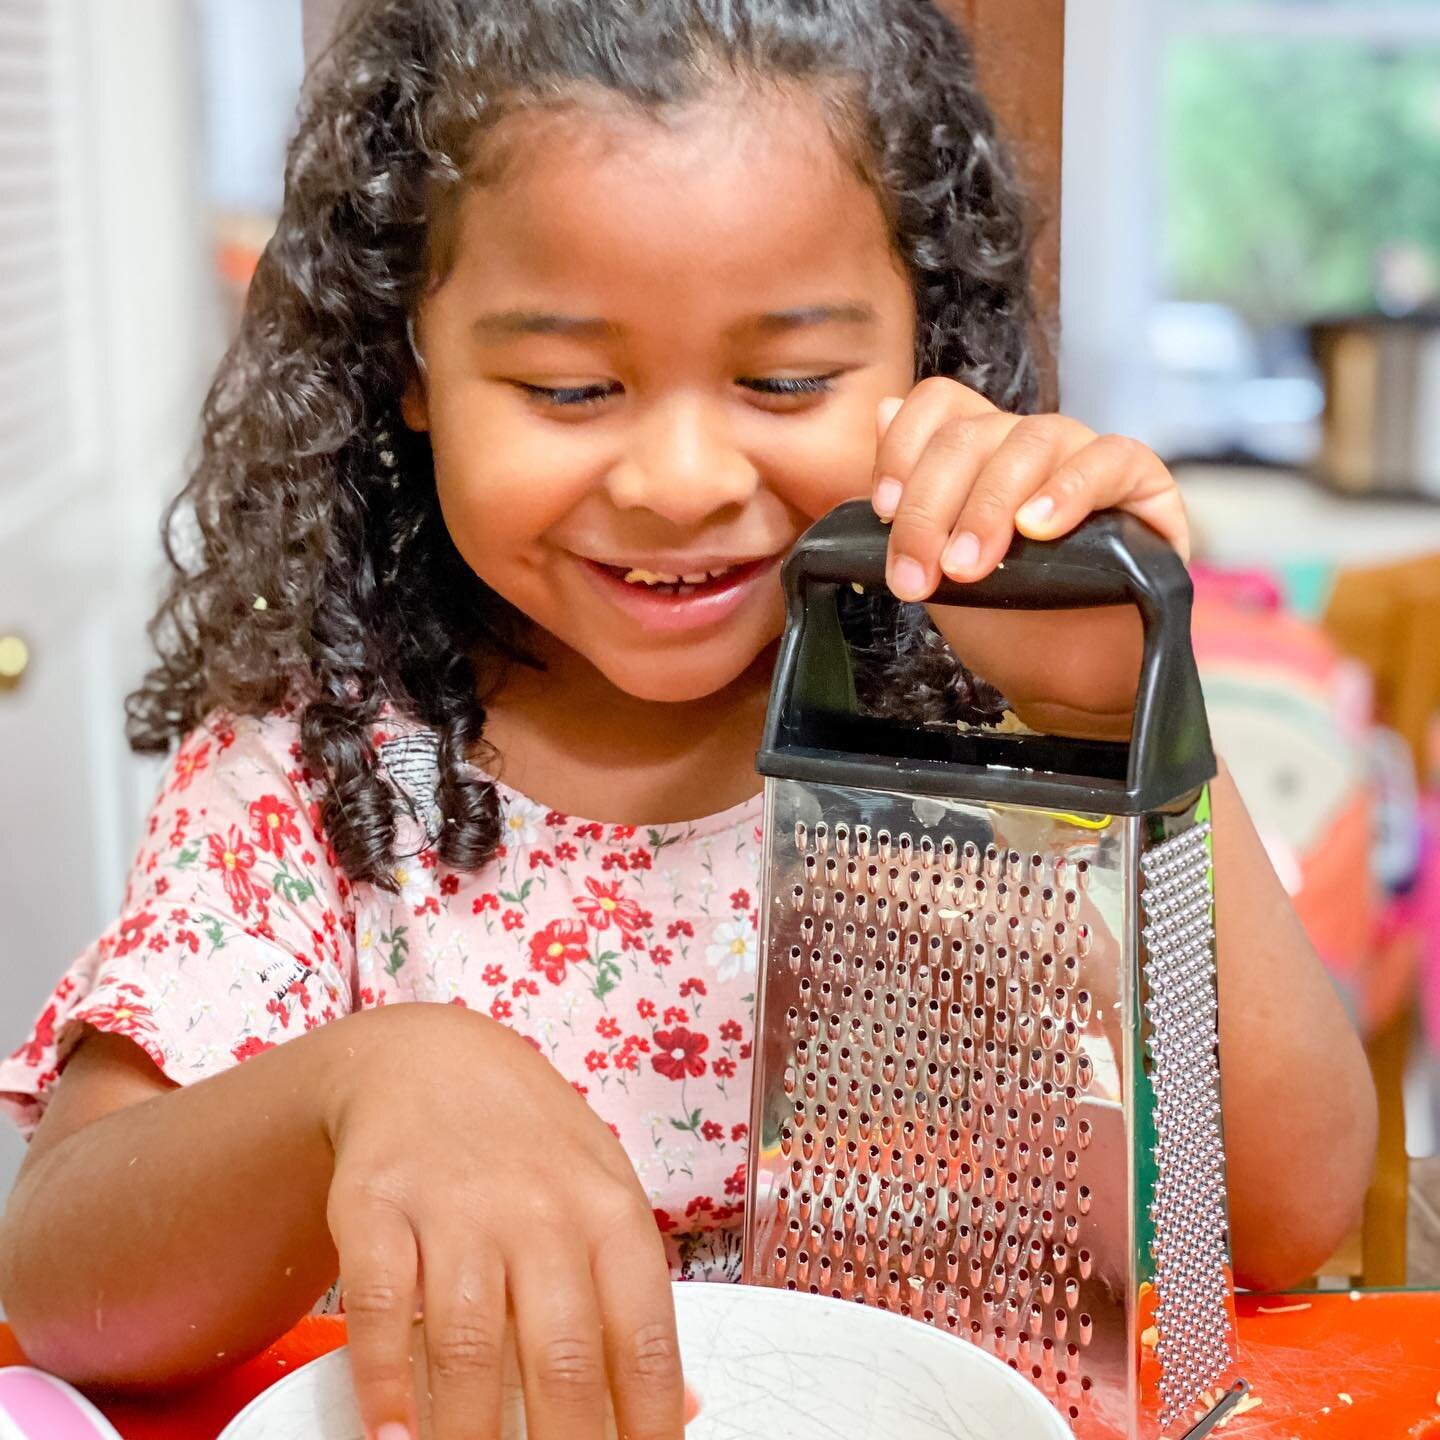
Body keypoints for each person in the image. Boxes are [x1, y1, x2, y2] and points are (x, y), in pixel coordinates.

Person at [0, 3, 1377, 1439]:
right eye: (570, 388)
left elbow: (1293, 1213)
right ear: (408, 362)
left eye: (785, 382)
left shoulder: (991, 713)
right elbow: (71, 1298)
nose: (677, 477)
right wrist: (365, 1079)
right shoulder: (317, 774)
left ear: (923, 346)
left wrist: (1117, 718)